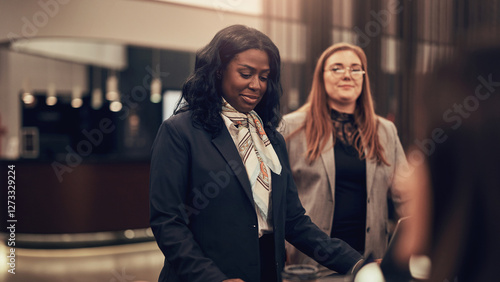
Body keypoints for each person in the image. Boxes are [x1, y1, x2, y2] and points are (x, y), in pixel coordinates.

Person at [149, 25, 363, 282]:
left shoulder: (270, 137)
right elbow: (168, 222)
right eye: (246, 73)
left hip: (265, 271)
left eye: (264, 77)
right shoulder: (180, 131)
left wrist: (358, 263)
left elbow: (294, 222)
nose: (256, 85)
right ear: (218, 71)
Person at [280, 42, 410, 271]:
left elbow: (405, 195)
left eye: (355, 68)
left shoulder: (385, 131)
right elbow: (276, 200)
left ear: (363, 77)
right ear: (321, 77)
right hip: (311, 263)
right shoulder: (290, 128)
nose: (347, 75)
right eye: (337, 68)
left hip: (370, 263)